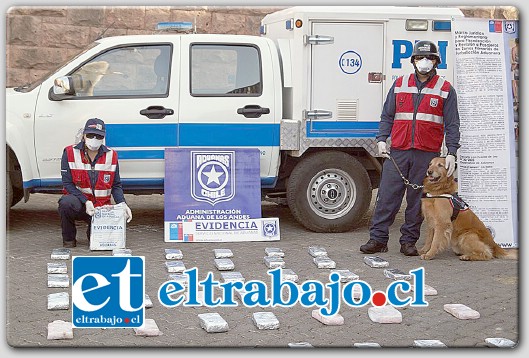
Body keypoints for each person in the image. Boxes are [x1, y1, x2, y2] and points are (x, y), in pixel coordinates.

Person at [360, 40, 461, 256]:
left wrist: (451, 151)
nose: (424, 62)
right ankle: (378, 239)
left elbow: (452, 124)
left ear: (436, 62)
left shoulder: (445, 89)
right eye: (419, 58)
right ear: (413, 61)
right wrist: (381, 138)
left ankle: (408, 242)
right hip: (399, 151)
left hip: (427, 154)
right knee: (387, 197)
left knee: (416, 202)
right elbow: (387, 115)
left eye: (429, 58)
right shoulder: (399, 84)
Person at [58, 118, 132, 248]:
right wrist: (86, 201)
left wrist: (122, 204)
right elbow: (67, 183)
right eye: (90, 135)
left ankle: (92, 230)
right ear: (84, 135)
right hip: (80, 204)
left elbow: (116, 185)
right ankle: (69, 239)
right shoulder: (69, 152)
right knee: (65, 203)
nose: (94, 138)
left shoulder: (111, 155)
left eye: (98, 136)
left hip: (101, 209)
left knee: (97, 242)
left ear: (103, 138)